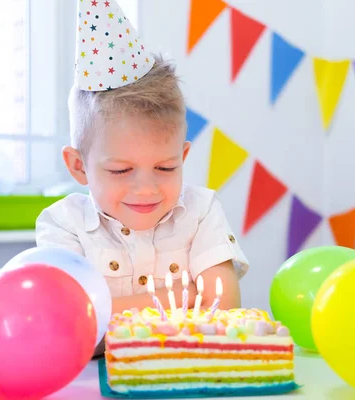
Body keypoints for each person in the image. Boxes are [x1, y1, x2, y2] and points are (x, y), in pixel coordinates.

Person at [34, 0, 249, 356]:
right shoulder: (63, 224)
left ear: (182, 157)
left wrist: (110, 314)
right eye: (121, 170)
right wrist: (181, 297)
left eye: (165, 168)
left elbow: (222, 315)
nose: (147, 188)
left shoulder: (201, 210)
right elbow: (72, 329)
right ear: (78, 166)